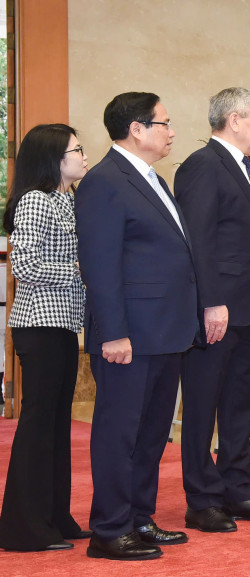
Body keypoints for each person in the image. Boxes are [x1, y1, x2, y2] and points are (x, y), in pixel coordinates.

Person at [76, 92, 197, 560]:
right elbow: (100, 266)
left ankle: (138, 517)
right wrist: (113, 333)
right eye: (165, 123)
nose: (171, 132)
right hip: (130, 334)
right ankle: (109, 528)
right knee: (119, 432)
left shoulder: (154, 180)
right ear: (136, 128)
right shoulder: (105, 181)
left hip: (166, 331)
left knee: (151, 432)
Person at [175, 87, 250, 532]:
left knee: (240, 405)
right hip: (216, 312)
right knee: (203, 406)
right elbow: (197, 242)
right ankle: (201, 501)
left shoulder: (249, 171)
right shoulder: (202, 166)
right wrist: (210, 302)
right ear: (234, 119)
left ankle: (237, 491)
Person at [0, 124, 89, 552]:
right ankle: (23, 528)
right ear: (54, 158)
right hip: (39, 324)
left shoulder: (67, 199)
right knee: (38, 426)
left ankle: (55, 516)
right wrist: (79, 270)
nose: (83, 156)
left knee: (55, 425)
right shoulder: (36, 201)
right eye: (77, 149)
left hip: (63, 324)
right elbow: (27, 268)